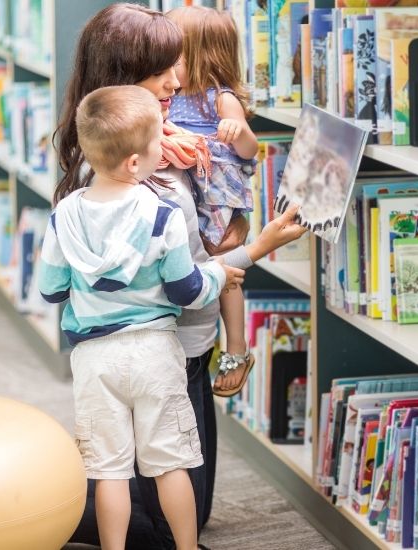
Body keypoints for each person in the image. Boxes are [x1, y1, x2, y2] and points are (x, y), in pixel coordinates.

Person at [57, 5, 306, 548]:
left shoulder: (107, 151)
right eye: (162, 71)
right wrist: (257, 245)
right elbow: (188, 282)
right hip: (170, 343)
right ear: (123, 75)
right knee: (170, 502)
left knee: (157, 477)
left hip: (130, 346)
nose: (178, 80)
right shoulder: (154, 176)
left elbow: (56, 286)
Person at [40, 85, 243, 550]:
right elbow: (188, 290)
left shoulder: (64, 215)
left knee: (108, 470)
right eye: (158, 143)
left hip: (93, 358)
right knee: (169, 463)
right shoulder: (163, 215)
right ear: (136, 162)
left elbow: (51, 290)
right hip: (154, 353)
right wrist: (218, 275)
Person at [163, 6, 258, 398]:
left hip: (216, 196)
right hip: (189, 188)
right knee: (196, 267)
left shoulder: (221, 100)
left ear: (201, 58)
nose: (166, 66)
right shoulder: (170, 95)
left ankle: (237, 348)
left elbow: (251, 150)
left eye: (175, 56)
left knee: (223, 272)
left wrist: (237, 132)